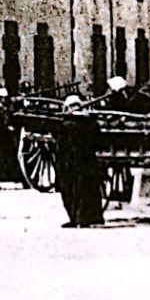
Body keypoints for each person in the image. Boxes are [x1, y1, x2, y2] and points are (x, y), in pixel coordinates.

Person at [56, 95, 105, 228]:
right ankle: (88, 218)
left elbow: (60, 144)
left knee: (70, 189)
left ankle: (74, 217)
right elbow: (98, 142)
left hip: (69, 162)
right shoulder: (91, 123)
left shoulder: (64, 124)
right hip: (87, 161)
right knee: (87, 188)